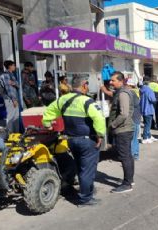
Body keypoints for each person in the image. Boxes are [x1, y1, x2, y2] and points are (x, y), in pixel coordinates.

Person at [42, 76, 106, 206]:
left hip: (71, 141)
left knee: (80, 167)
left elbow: (48, 111)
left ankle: (85, 191)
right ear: (83, 85)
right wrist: (100, 135)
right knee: (87, 169)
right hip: (87, 140)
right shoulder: (87, 101)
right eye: (87, 84)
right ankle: (85, 198)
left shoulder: (62, 99)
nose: (87, 87)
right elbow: (99, 118)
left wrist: (47, 124)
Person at [108, 72, 135, 193]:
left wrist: (113, 125)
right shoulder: (121, 92)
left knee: (125, 157)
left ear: (120, 81)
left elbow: (123, 114)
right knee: (128, 156)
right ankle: (129, 179)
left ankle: (127, 184)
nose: (110, 82)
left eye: (113, 80)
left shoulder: (123, 94)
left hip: (123, 130)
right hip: (125, 129)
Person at [0, 60, 20, 134]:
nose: (14, 67)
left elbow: (18, 85)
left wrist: (14, 83)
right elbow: (9, 89)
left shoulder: (11, 74)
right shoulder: (6, 75)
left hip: (13, 98)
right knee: (11, 117)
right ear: (10, 66)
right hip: (10, 99)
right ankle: (10, 134)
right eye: (13, 65)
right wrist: (14, 99)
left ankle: (16, 134)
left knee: (16, 116)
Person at [126, 78, 141, 160]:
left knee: (132, 138)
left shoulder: (130, 93)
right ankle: (136, 154)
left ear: (129, 85)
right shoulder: (137, 92)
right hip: (137, 118)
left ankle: (131, 155)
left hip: (133, 118)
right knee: (135, 138)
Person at [140, 76, 157, 144]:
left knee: (147, 123)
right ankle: (145, 137)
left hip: (143, 108)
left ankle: (149, 136)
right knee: (148, 124)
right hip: (149, 109)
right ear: (148, 82)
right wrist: (156, 100)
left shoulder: (141, 89)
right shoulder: (149, 90)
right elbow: (152, 99)